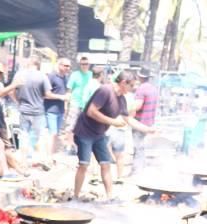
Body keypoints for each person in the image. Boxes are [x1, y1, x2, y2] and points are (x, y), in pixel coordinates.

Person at [72, 70, 152, 201]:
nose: (133, 89)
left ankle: (110, 197)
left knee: (106, 164)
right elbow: (91, 111)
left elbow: (128, 119)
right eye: (131, 85)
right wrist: (113, 121)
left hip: (99, 134)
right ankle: (75, 197)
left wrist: (148, 129)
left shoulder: (121, 99)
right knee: (84, 165)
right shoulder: (105, 91)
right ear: (123, 83)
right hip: (85, 132)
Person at [0, 54, 51, 166]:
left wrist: (18, 102)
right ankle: (41, 159)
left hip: (23, 110)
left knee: (24, 135)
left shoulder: (20, 75)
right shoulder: (42, 76)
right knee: (40, 135)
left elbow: (11, 91)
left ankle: (24, 161)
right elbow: (47, 94)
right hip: (38, 111)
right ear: (38, 65)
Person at [131, 67, 158, 174]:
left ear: (140, 77)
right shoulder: (154, 89)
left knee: (138, 146)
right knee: (141, 146)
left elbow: (137, 106)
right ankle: (141, 168)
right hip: (149, 122)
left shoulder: (141, 89)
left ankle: (137, 170)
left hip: (139, 122)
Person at [44, 57, 71, 155]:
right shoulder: (51, 76)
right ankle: (48, 156)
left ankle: (52, 155)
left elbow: (66, 93)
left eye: (69, 66)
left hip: (60, 110)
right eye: (65, 66)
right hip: (51, 110)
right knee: (52, 134)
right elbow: (45, 94)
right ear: (59, 65)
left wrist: (65, 104)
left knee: (56, 134)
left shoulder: (65, 78)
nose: (68, 68)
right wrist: (61, 97)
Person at [64, 56, 92, 137]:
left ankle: (79, 145)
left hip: (87, 105)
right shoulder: (75, 75)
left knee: (85, 126)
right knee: (71, 126)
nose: (84, 65)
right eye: (82, 64)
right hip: (75, 104)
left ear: (89, 65)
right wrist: (65, 105)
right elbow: (69, 91)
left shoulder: (91, 75)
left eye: (86, 64)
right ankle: (68, 146)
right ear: (80, 64)